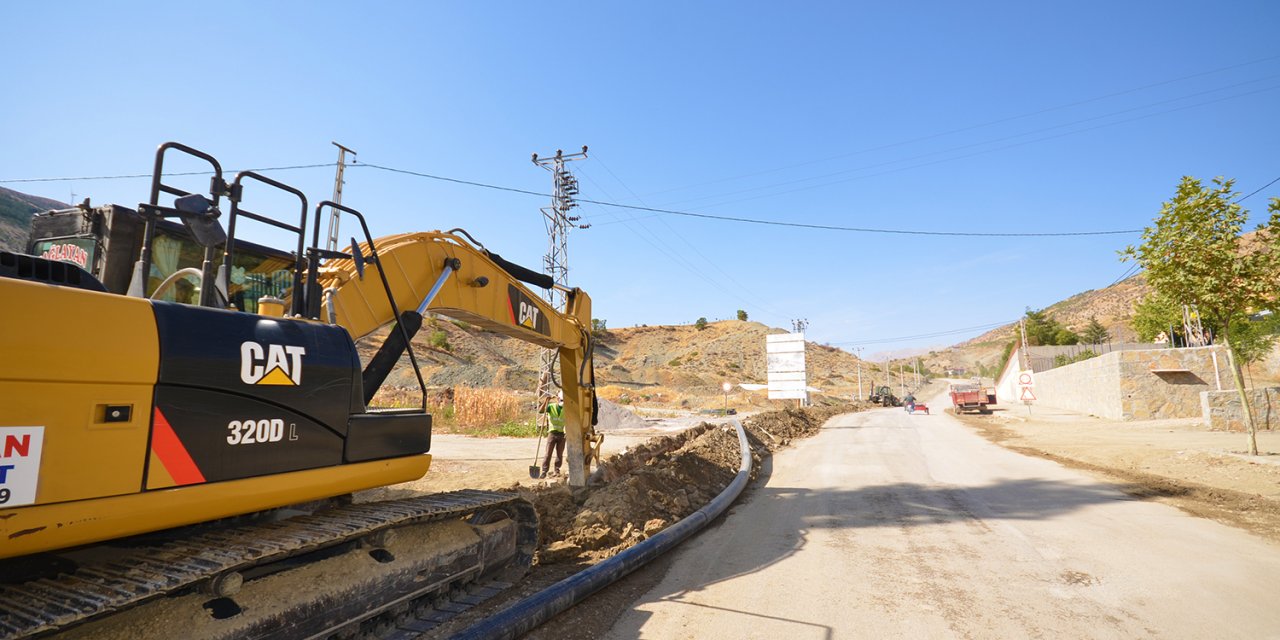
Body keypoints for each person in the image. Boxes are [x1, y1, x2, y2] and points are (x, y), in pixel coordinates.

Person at [541, 392, 567, 478]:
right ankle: (544, 471)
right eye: (561, 400)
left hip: (562, 434)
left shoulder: (567, 409)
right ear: (558, 399)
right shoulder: (551, 406)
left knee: (559, 454)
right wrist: (546, 401)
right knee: (548, 453)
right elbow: (541, 411)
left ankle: (557, 470)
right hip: (552, 434)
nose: (563, 402)